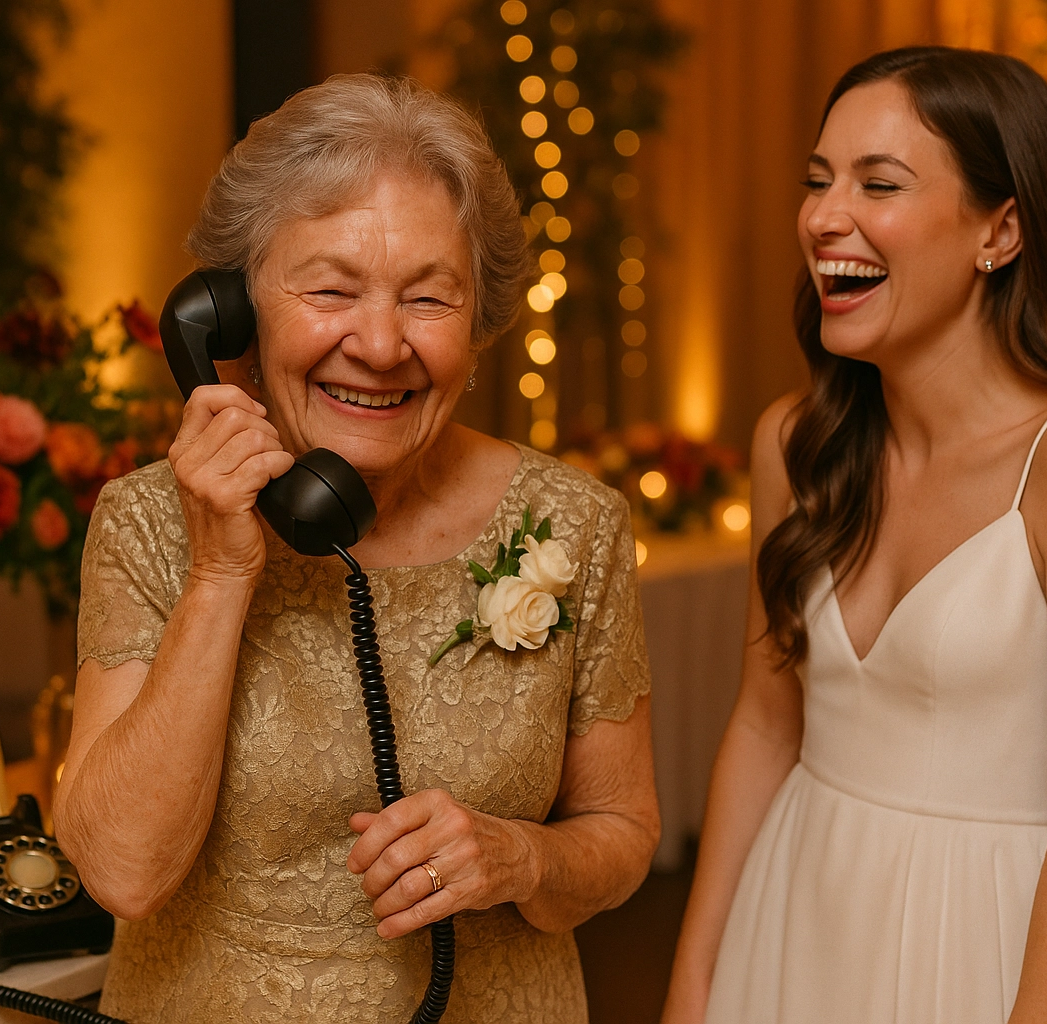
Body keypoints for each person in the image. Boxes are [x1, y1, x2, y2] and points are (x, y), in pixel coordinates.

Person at [53, 75, 659, 1023]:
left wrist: (521, 857)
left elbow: (623, 836)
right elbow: (123, 872)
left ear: (479, 319)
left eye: (429, 298)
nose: (380, 345)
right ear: (232, 314)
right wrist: (221, 570)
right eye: (332, 290)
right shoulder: (146, 524)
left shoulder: (574, 526)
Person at [662, 47, 1047, 1024]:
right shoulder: (795, 443)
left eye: (879, 183)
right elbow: (763, 723)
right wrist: (696, 982)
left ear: (1000, 230)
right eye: (818, 180)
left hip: (1001, 948)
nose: (826, 217)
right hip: (797, 926)